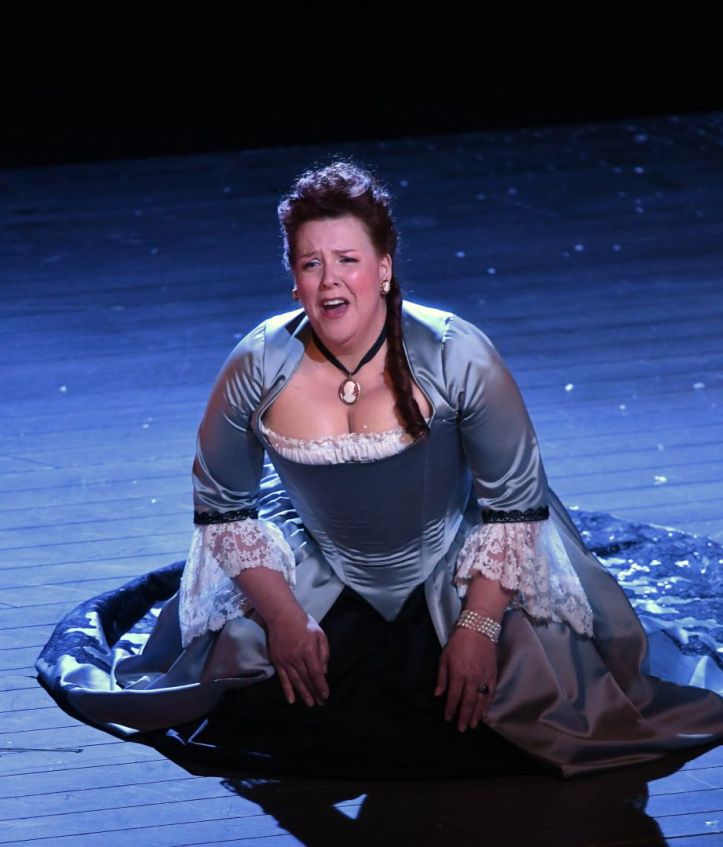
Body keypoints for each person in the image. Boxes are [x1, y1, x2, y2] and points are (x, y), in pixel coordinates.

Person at [36, 159, 723, 781]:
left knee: (528, 692)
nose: (329, 280)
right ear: (293, 277)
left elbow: (513, 503)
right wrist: (282, 616)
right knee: (267, 682)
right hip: (320, 557)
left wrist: (480, 628)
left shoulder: (455, 352)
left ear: (384, 268)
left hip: (459, 554)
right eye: (311, 263)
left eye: (348, 259)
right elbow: (221, 502)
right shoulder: (258, 361)